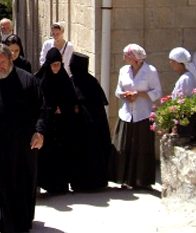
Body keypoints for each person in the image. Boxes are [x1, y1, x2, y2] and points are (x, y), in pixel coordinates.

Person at [0, 44, 47, 233]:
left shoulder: (28, 81)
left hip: (21, 145)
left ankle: (17, 221)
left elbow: (41, 109)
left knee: (18, 181)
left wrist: (39, 132)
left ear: (11, 59)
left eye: (3, 63)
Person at [109, 43, 162, 189]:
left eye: (126, 55)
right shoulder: (124, 71)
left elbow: (157, 92)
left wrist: (139, 94)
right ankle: (124, 179)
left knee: (142, 147)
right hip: (126, 113)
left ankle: (141, 181)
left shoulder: (150, 71)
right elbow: (118, 90)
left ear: (135, 58)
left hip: (143, 114)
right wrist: (124, 95)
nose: (123, 58)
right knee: (124, 146)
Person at [35, 47, 77, 194]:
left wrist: (63, 109)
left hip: (61, 126)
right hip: (46, 126)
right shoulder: (40, 80)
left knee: (61, 155)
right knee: (45, 156)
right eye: (53, 65)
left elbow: (72, 101)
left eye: (58, 64)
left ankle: (60, 185)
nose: (56, 68)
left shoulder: (64, 80)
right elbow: (38, 103)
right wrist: (52, 109)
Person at [69, 52, 111, 191]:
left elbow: (96, 105)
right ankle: (81, 183)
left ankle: (93, 182)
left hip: (90, 129)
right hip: (79, 127)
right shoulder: (72, 81)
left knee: (91, 154)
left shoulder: (90, 83)